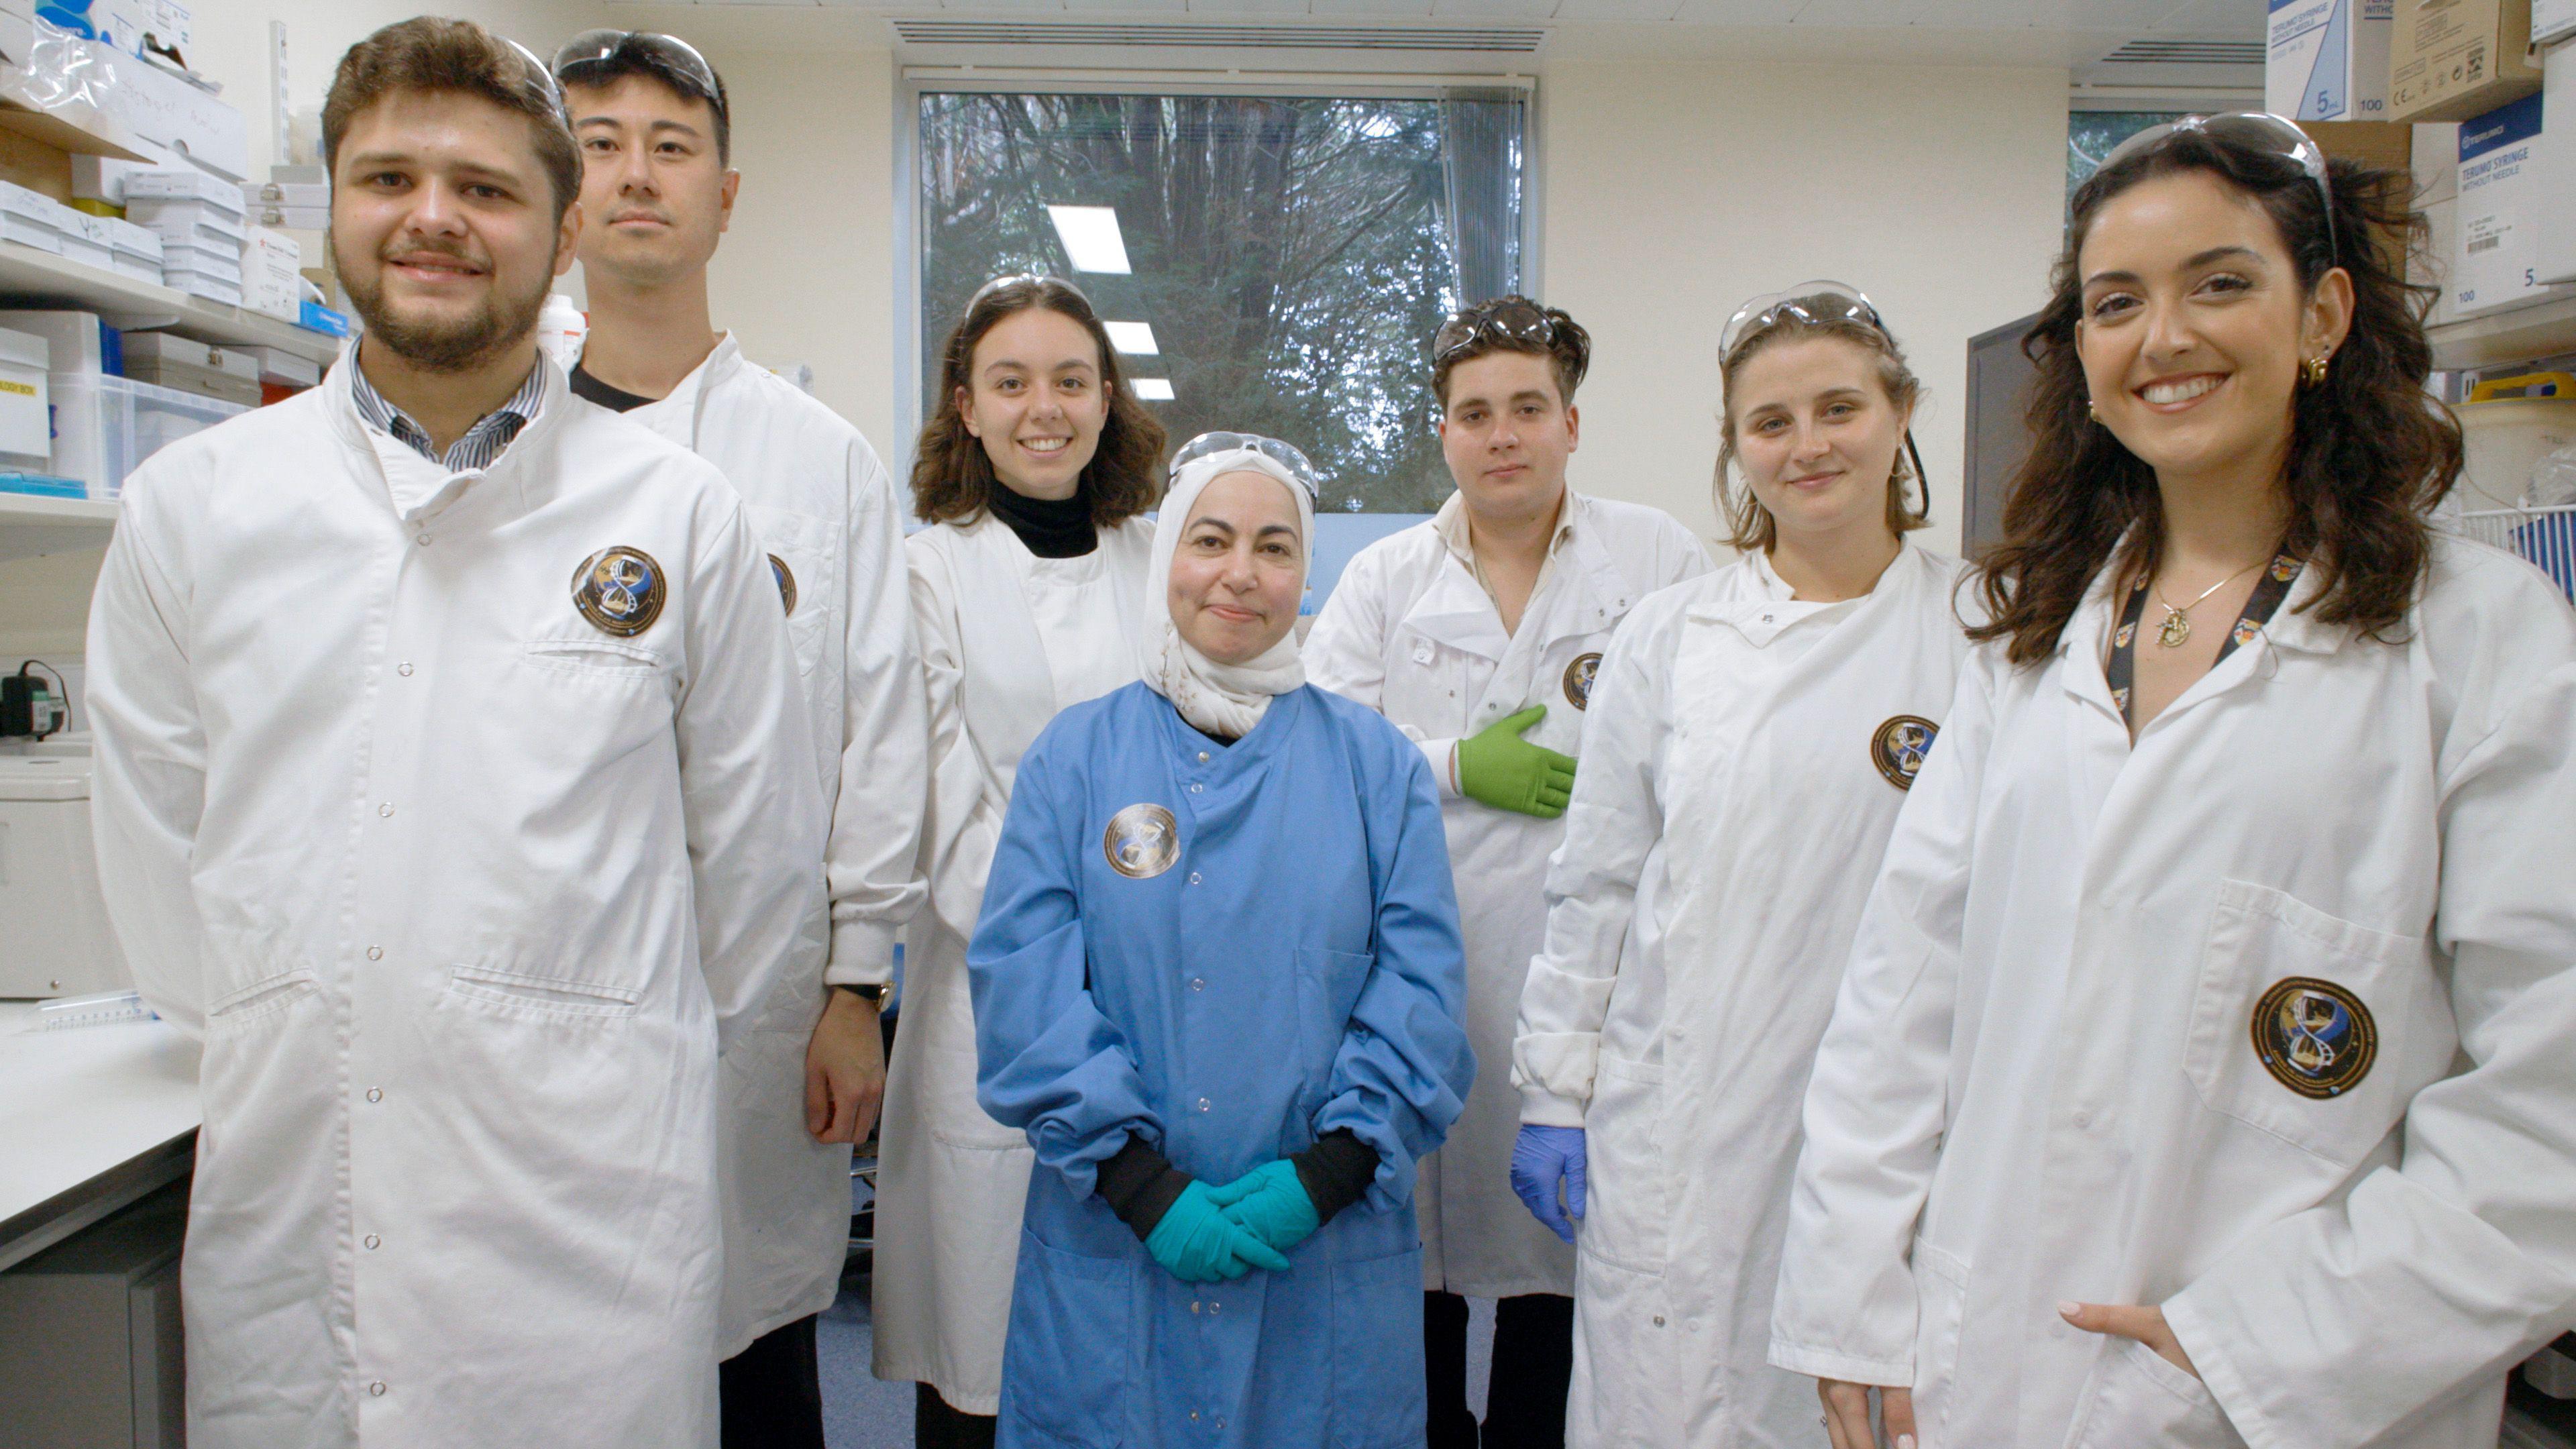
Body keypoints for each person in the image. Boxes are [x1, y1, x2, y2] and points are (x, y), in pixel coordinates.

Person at [1771, 115, 2576, 1449]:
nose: (2164, 340)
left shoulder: (2479, 640)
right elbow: (1903, 988)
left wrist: (2265, 1348)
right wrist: (1855, 1291)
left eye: (2219, 284)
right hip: (1985, 1355)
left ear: (2323, 312)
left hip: (2277, 1386)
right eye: (2116, 304)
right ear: (2081, 354)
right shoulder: (2037, 641)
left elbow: (2550, 1099)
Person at [84, 19, 825, 1448]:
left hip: (587, 1239)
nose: (433, 218)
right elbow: (161, 886)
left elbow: (757, 886)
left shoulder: (677, 517)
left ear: (561, 239)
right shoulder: (196, 509)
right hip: (303, 1218)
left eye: (485, 189)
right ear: (332, 212)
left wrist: (552, 1027)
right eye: (388, 179)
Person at [1504, 282, 1970, 1447]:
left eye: (1839, 409)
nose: (1807, 446)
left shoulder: (1987, 630)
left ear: (1901, 412)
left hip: (1898, 1139)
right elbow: (1598, 880)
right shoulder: (1672, 634)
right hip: (1680, 1121)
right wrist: (1558, 1093)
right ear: (1736, 445)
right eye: (1771, 423)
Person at [551, 30, 927, 1448]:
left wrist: (851, 985)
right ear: (559, 188)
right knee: (566, 1344)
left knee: (756, 1349)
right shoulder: (496, 453)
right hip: (543, 992)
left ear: (727, 193)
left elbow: (879, 734)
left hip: (758, 1001)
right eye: (596, 142)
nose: (635, 174)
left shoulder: (816, 458)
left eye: (671, 144)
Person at [969, 435, 1477, 1449]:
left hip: (1322, 1239)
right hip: (1118, 1227)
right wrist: (1141, 1188)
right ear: (1169, 561)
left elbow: (1423, 989)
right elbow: (1025, 986)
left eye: (1274, 546)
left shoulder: (1376, 766)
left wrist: (1327, 1176)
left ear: (1305, 574)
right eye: (1211, 539)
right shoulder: (1076, 756)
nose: (1241, 573)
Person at [1303, 295, 1707, 1447]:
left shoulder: (1656, 556)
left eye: (1528, 408)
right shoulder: (1385, 577)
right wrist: (1450, 765)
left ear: (1571, 423)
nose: (1502, 435)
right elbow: (1317, 759)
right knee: (1411, 1282)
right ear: (1444, 433)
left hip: (1596, 989)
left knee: (1561, 1294)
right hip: (1424, 983)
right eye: (1474, 414)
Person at [875, 274, 1166, 1447]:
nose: (1042, 407)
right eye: (1011, 383)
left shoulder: (1164, 560)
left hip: (1162, 979)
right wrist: (1074, 929)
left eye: (1068, 379)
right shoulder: (927, 570)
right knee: (984, 1331)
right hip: (995, 995)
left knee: (1140, 1332)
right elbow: (934, 791)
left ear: (1105, 400)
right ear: (967, 407)